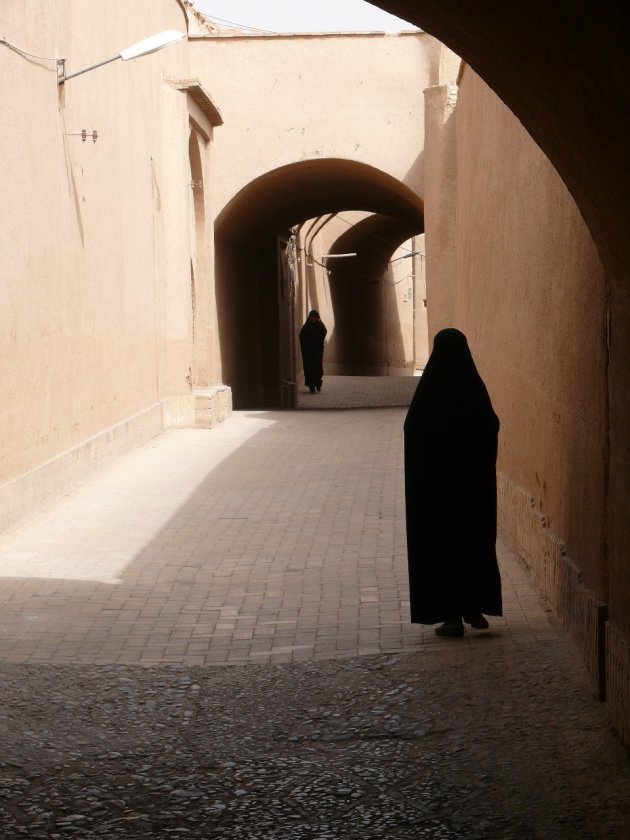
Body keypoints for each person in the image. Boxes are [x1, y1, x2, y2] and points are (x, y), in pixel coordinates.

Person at [403, 328, 502, 637]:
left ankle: (452, 617)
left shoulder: (429, 394)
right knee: (472, 544)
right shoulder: (473, 388)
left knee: (441, 549)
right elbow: (491, 425)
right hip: (471, 493)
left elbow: (413, 431)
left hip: (437, 496)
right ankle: (473, 607)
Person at [299, 310, 327, 394]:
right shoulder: (306, 326)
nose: (313, 319)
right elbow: (301, 336)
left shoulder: (320, 325)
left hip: (317, 352)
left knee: (318, 368)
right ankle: (311, 386)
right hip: (309, 353)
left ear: (316, 317)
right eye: (311, 317)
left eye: (314, 317)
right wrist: (307, 345)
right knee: (309, 368)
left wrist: (317, 341)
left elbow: (324, 331)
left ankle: (318, 384)